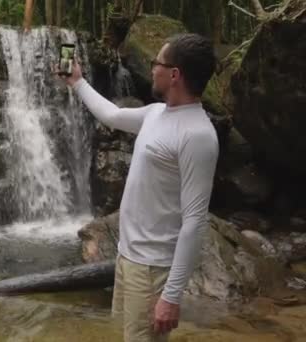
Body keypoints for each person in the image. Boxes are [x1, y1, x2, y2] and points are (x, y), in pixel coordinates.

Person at [60, 33, 219, 341]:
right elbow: (113, 115)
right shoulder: (157, 113)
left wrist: (171, 296)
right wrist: (77, 81)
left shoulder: (198, 135)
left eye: (155, 62)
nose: (151, 69)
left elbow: (195, 222)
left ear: (174, 75)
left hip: (152, 270)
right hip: (128, 258)